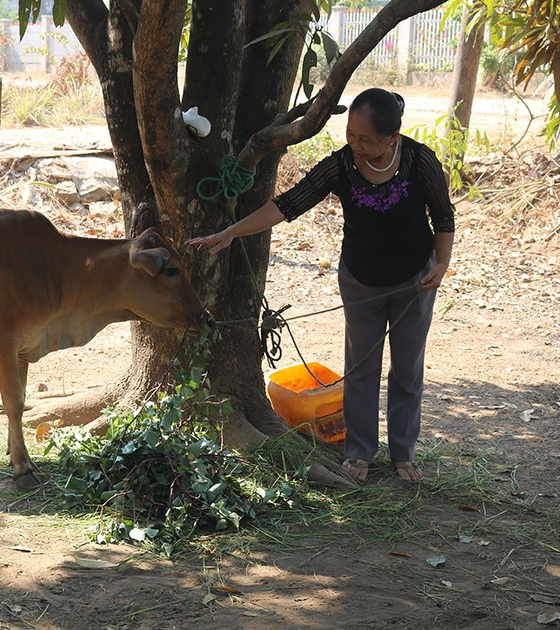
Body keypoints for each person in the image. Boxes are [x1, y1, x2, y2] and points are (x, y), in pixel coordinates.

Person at [187, 88, 455, 483]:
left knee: (406, 370)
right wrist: (232, 232)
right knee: (361, 367)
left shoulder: (419, 161)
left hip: (415, 279)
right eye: (350, 134)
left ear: (391, 138)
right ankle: (360, 451)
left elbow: (443, 216)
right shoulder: (341, 166)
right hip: (361, 280)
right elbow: (287, 204)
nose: (356, 145)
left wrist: (442, 265)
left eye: (366, 139)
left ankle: (404, 453)